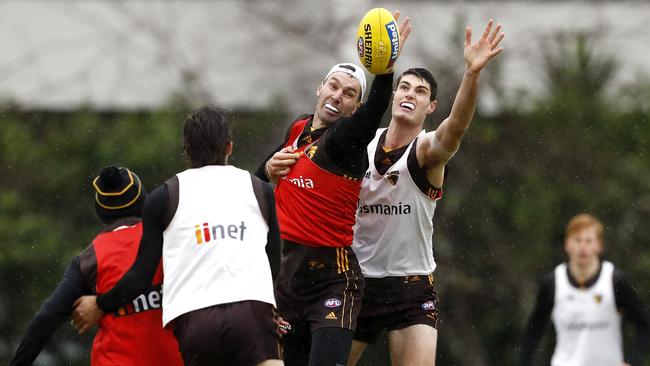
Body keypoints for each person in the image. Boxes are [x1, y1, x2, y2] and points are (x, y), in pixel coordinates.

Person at [341, 20, 504, 366]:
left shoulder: (426, 150)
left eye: (420, 91)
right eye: (404, 87)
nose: (409, 94)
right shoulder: (362, 142)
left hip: (409, 290)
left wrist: (472, 75)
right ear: (394, 94)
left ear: (431, 107)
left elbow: (456, 128)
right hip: (358, 284)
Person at [255, 11, 412, 366]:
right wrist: (266, 170)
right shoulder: (297, 130)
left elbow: (374, 113)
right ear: (320, 87)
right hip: (286, 277)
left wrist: (384, 70)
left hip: (331, 279)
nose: (338, 96)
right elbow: (257, 181)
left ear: (353, 107)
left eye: (349, 94)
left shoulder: (343, 140)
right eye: (334, 86)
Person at [72, 106, 284, 366]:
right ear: (229, 147)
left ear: (187, 151)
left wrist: (102, 303)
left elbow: (141, 276)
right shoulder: (260, 189)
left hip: (196, 319)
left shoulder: (164, 196)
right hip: (252, 312)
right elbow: (273, 262)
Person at [10, 166, 183, 366]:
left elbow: (46, 318)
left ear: (101, 211)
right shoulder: (171, 239)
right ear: (145, 202)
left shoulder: (89, 259)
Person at [521, 213, 650, 366]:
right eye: (577, 240)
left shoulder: (615, 281)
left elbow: (645, 326)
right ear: (567, 244)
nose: (583, 247)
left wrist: (631, 361)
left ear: (599, 246)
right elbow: (533, 331)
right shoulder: (553, 283)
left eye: (589, 241)